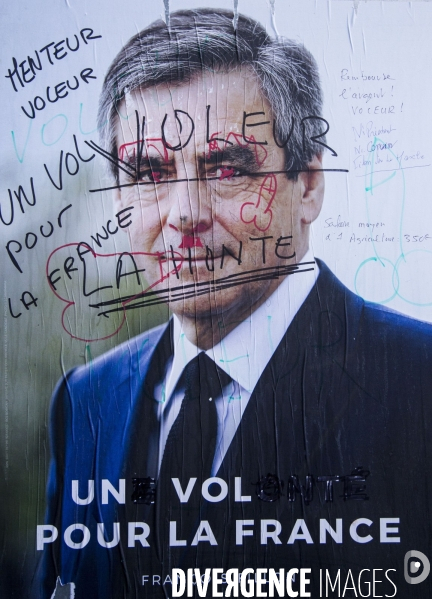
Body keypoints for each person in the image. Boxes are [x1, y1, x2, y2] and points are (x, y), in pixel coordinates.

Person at [38, 9, 432, 598]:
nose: (184, 214)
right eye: (149, 173)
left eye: (224, 167)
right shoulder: (85, 401)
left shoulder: (417, 384)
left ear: (309, 184)